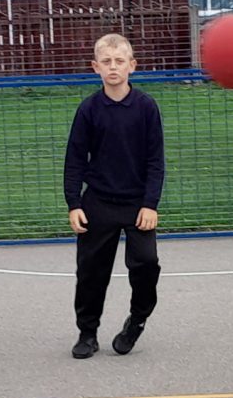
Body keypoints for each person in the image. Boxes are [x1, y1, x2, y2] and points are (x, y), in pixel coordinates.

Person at [65, 32, 164, 359]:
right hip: (99, 202)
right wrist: (74, 203)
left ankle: (137, 320)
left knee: (146, 264)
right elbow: (75, 159)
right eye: (106, 61)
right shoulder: (89, 109)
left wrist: (150, 204)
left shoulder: (146, 108)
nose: (113, 67)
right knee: (90, 272)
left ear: (131, 65)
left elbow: (155, 161)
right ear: (95, 67)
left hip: (137, 204)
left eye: (119, 61)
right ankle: (87, 332)